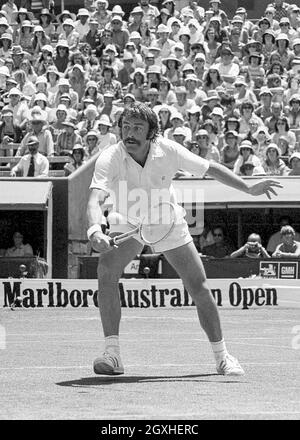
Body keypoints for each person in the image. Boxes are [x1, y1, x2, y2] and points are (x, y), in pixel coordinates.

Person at [86, 102, 281, 377]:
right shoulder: (111, 156)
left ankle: (223, 356)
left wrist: (248, 188)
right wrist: (95, 230)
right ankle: (112, 354)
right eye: (126, 127)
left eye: (137, 128)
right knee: (106, 271)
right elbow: (95, 198)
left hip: (168, 223)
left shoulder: (168, 149)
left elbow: (210, 167)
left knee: (198, 286)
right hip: (128, 221)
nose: (129, 133)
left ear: (152, 132)